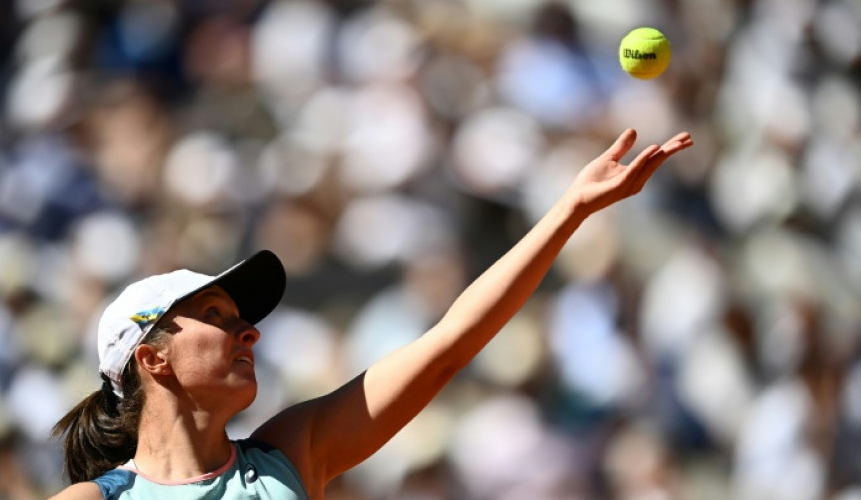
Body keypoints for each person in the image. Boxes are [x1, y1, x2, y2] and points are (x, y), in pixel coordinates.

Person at [50, 128, 694, 499]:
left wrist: (569, 213)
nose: (248, 329)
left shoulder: (293, 450)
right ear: (152, 357)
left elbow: (450, 344)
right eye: (215, 314)